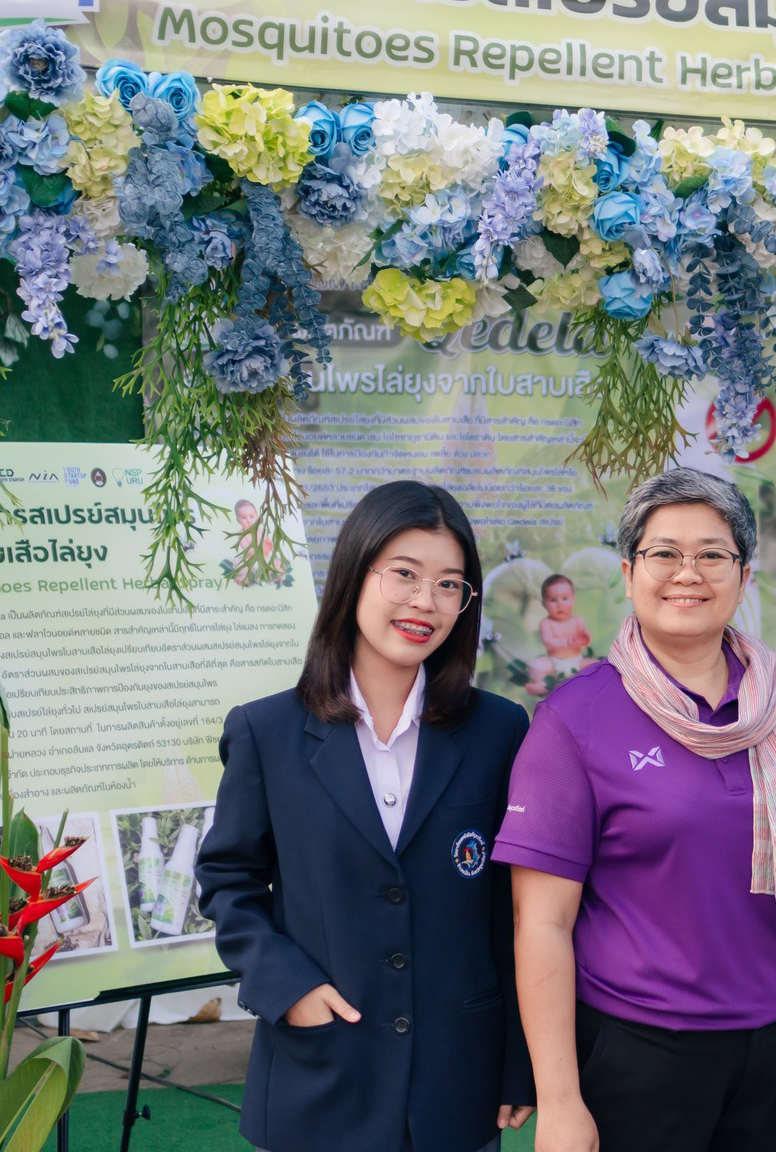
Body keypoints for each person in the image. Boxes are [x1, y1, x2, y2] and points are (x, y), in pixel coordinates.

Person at [497, 467, 776, 1152]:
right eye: (664, 553)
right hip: (642, 1053)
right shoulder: (576, 718)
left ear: (743, 575)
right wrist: (559, 1100)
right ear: (627, 572)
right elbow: (543, 922)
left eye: (712, 554)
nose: (689, 573)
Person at [196, 481, 535, 1152]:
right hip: (319, 1077)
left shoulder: (498, 731)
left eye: (449, 585)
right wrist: (289, 988)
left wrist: (518, 1062)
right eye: (404, 575)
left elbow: (513, 907)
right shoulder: (266, 731)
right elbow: (228, 882)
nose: (424, 602)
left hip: (456, 1081)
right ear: (353, 576)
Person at [526, 573, 595, 696]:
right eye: (553, 600)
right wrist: (568, 642)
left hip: (577, 661)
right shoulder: (546, 623)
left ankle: (585, 682)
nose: (559, 604)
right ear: (544, 604)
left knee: (595, 664)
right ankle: (543, 686)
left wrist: (585, 638)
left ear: (573, 599)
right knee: (535, 665)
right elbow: (548, 642)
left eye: (565, 598)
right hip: (553, 662)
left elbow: (585, 639)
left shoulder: (578, 620)